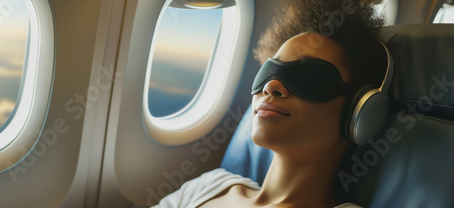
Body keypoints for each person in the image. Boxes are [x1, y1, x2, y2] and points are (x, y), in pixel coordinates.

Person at [152, 0, 387, 207]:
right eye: (270, 71)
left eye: (307, 77)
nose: (270, 87)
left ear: (357, 111)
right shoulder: (208, 187)